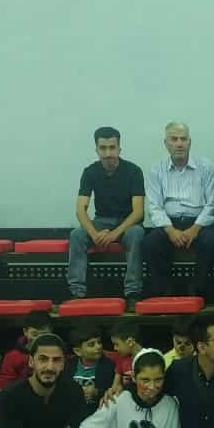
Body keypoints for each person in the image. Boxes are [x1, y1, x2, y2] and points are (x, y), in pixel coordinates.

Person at [67, 126, 146, 309]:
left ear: (120, 149)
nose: (108, 153)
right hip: (101, 221)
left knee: (136, 234)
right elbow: (80, 210)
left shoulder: (134, 171)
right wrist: (95, 234)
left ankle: (133, 293)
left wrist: (113, 234)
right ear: (96, 150)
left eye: (112, 147)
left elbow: (138, 212)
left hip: (127, 223)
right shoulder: (90, 172)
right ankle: (76, 293)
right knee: (76, 235)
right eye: (103, 148)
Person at [143, 122, 214, 300]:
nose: (179, 144)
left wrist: (195, 229)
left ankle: (199, 290)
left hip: (199, 223)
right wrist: (170, 230)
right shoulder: (156, 169)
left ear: (190, 142)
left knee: (210, 242)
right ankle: (164, 290)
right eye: (174, 139)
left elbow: (212, 204)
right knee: (150, 243)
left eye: (183, 139)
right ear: (166, 143)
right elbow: (154, 206)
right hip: (169, 222)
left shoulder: (206, 167)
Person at [68, 322, 116, 419]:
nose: (98, 347)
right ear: (78, 351)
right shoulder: (67, 366)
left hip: (98, 416)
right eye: (91, 344)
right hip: (71, 415)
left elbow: (114, 394)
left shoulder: (109, 367)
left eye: (99, 342)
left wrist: (97, 392)